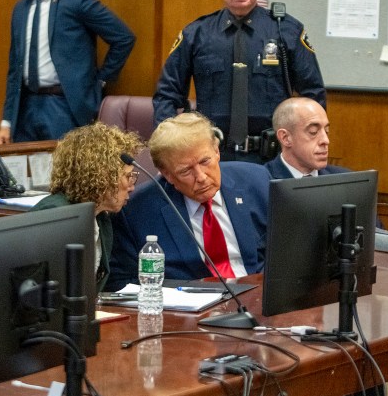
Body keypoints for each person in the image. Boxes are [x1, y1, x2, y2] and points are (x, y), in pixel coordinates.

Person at [267, 97, 388, 396]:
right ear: (285, 137)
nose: (325, 140)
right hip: (283, 305)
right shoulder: (262, 182)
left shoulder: (343, 179)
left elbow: (374, 240)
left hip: (341, 299)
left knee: (367, 336)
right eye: (313, 131)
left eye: (327, 130)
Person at [153, 0, 326, 163]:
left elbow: (313, 96)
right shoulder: (196, 34)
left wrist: (305, 147)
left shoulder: (287, 31)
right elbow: (166, 96)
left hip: (273, 159)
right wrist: (169, 149)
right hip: (212, 157)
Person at [107, 111, 270, 291]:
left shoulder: (256, 181)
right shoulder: (137, 211)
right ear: (167, 174)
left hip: (257, 295)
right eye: (185, 171)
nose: (201, 177)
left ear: (216, 151)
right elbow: (121, 283)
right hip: (187, 311)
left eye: (205, 161)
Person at [0, 0, 136, 143]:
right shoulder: (20, 9)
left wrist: (100, 80)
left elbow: (124, 37)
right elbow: (14, 70)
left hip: (63, 107)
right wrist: (6, 122)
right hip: (26, 109)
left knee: (64, 172)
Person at [31, 122, 142, 293]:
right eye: (128, 177)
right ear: (103, 176)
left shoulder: (101, 219)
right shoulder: (56, 216)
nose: (132, 186)